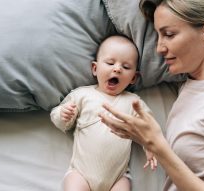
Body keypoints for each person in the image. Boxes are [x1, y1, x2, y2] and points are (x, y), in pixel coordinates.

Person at [98, 0, 204, 191]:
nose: (159, 48)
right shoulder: (190, 88)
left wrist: (157, 144)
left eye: (169, 35)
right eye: (158, 36)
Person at [50, 35, 157, 191]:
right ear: (95, 68)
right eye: (110, 63)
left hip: (117, 178)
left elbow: (148, 126)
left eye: (126, 67)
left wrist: (150, 146)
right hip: (81, 174)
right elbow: (59, 122)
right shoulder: (82, 95)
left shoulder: (133, 102)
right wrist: (62, 114)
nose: (117, 68)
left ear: (133, 78)